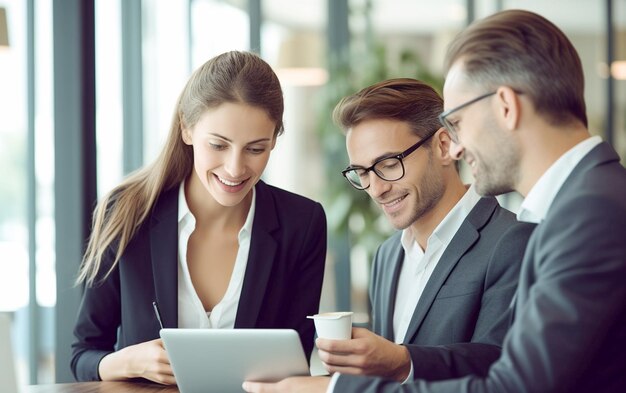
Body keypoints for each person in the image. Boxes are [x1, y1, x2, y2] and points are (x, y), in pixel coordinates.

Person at [242, 9, 626, 393]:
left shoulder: (590, 214)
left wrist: (331, 390)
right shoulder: (585, 203)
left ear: (506, 107)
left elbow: (512, 383)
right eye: (362, 173)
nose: (458, 145)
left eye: (457, 122)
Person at [70, 51, 327, 385]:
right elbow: (83, 355)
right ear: (186, 129)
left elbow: (295, 368)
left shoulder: (302, 225)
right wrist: (130, 361)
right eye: (218, 145)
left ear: (275, 140)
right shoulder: (128, 213)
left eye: (255, 149)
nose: (235, 169)